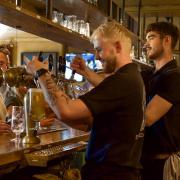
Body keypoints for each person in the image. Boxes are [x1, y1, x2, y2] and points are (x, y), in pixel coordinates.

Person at [25, 21, 145, 180]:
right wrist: (58, 113)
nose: (96, 56)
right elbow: (88, 123)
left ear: (117, 47)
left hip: (110, 174)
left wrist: (41, 72)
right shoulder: (132, 77)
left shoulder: (123, 80)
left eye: (99, 49)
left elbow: (66, 110)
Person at [141, 21, 180, 180]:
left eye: (151, 38)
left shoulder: (174, 78)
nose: (146, 44)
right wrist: (87, 72)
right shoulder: (149, 75)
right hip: (145, 161)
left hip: (162, 165)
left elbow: (148, 118)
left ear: (167, 40)